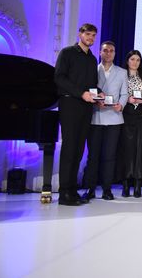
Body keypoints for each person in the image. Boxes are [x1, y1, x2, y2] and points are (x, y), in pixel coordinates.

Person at [53, 23, 100, 206]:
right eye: (88, 34)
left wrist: (99, 94)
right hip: (70, 104)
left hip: (86, 107)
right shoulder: (67, 53)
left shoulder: (92, 59)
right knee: (69, 148)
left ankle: (72, 190)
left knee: (79, 149)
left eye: (93, 35)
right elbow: (59, 78)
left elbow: (91, 85)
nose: (91, 38)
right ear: (80, 34)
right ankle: (64, 192)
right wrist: (81, 93)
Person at [84, 41, 127, 201]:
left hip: (114, 119)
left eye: (111, 51)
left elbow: (124, 94)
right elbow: (89, 90)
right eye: (105, 50)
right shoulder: (92, 70)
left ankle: (107, 189)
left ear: (115, 53)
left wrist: (120, 105)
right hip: (95, 117)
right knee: (93, 156)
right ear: (100, 52)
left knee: (109, 156)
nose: (108, 53)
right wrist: (96, 101)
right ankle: (90, 189)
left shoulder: (122, 72)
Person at [121, 50, 142, 198]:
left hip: (141, 116)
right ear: (127, 60)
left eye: (138, 60)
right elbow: (118, 95)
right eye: (132, 59)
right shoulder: (122, 75)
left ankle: (138, 184)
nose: (135, 62)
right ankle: (125, 183)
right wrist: (128, 99)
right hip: (126, 115)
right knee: (126, 150)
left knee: (139, 150)